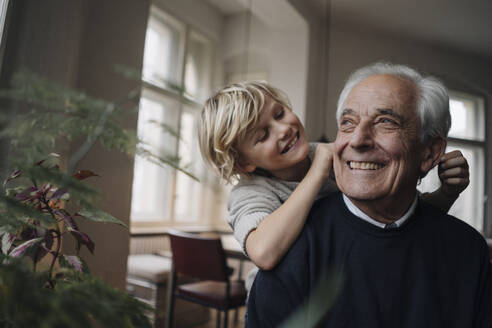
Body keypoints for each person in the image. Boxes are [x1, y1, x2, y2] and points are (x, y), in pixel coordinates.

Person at [246, 63, 492, 327]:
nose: (358, 140)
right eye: (348, 123)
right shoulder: (292, 250)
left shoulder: (469, 250)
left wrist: (445, 194)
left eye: (385, 122)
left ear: (430, 153)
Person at [198, 81, 469, 275]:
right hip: (285, 307)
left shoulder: (334, 153)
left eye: (279, 114)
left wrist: (446, 193)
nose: (283, 129)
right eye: (262, 136)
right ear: (245, 162)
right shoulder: (251, 192)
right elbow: (264, 254)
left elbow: (401, 218)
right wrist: (317, 172)